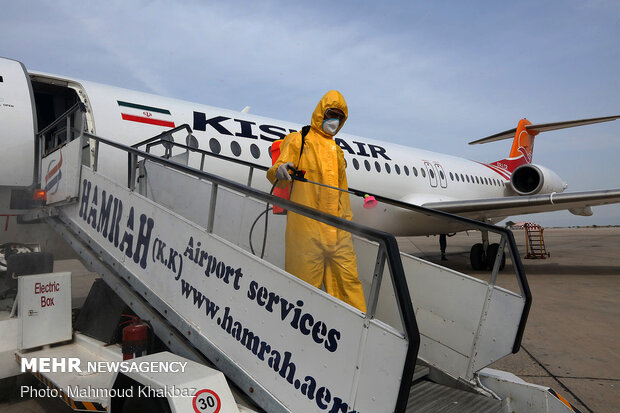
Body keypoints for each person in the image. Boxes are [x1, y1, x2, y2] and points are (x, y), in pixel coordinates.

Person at [267, 91, 367, 312]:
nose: (335, 121)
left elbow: (342, 193)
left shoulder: (338, 152)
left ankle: (351, 329)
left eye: (340, 117)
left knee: (349, 286)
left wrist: (346, 224)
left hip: (338, 232)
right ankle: (298, 335)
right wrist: (279, 171)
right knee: (301, 290)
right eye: (332, 114)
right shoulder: (299, 140)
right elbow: (278, 170)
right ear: (321, 113)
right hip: (306, 230)